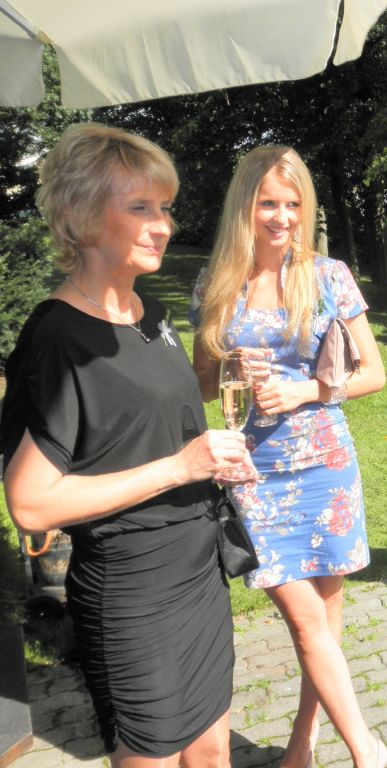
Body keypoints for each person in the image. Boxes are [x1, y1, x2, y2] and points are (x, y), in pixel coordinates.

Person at [0, 123, 251, 766]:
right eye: (141, 207)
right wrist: (178, 468)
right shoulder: (59, 340)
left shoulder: (150, 313)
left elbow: (142, 417)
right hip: (135, 595)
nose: (163, 225)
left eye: (165, 208)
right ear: (82, 215)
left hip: (199, 574)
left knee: (213, 755)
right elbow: (30, 504)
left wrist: (218, 405)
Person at [190, 146, 387, 768]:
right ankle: (367, 751)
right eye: (268, 203)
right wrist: (227, 364)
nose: (281, 217)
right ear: (244, 207)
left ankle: (303, 742)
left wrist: (305, 389)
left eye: (293, 204)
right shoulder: (216, 284)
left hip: (326, 468)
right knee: (306, 621)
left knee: (323, 622)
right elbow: (200, 385)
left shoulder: (328, 276)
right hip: (255, 475)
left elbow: (373, 373)